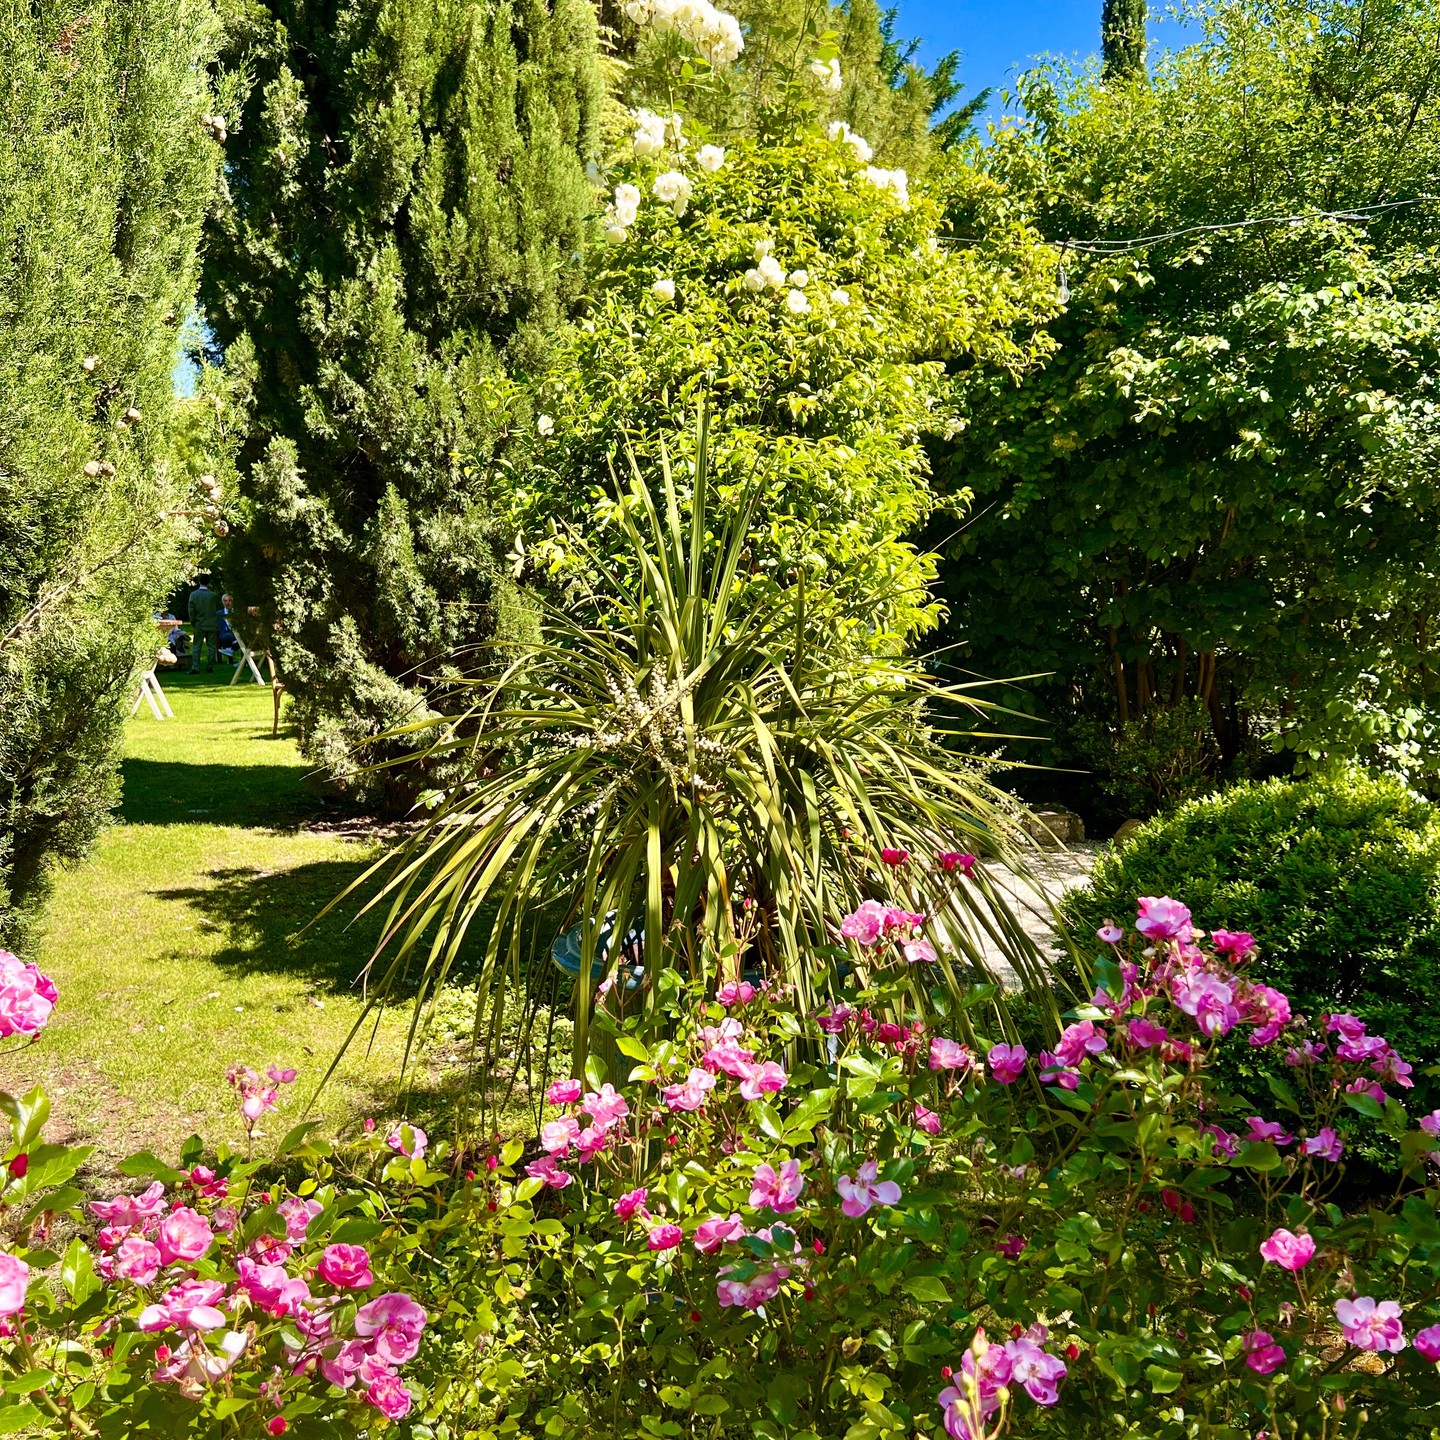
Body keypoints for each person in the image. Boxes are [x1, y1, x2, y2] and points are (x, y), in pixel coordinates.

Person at [187, 576, 221, 673]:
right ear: (209, 582)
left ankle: (195, 667)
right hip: (212, 624)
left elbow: (191, 611)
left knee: (197, 646)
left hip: (199, 623)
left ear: (199, 582)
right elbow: (217, 609)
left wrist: (193, 622)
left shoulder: (194, 595)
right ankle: (210, 665)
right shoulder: (213, 595)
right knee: (211, 646)